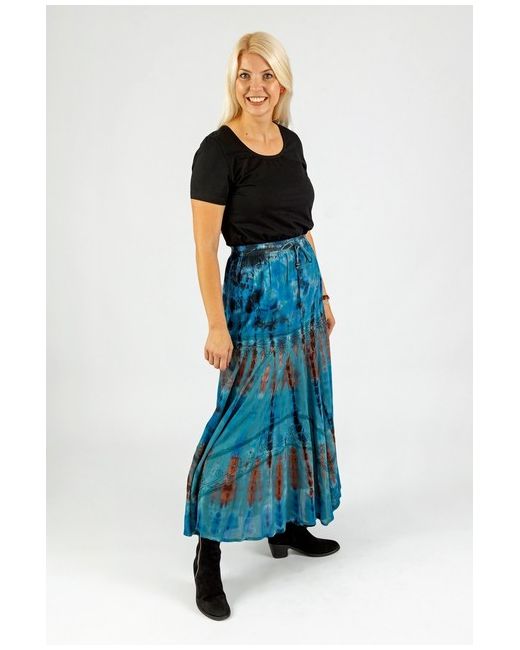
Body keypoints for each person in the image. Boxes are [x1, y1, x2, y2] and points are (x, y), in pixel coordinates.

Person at [183, 31, 342, 621]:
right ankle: (207, 556)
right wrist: (216, 325)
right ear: (235, 82)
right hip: (252, 299)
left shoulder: (290, 142)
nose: (256, 87)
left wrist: (322, 291)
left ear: (282, 82)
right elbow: (204, 250)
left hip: (302, 294)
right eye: (246, 75)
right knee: (242, 421)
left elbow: (302, 224)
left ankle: (287, 524)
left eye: (267, 75)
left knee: (299, 408)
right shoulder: (217, 151)